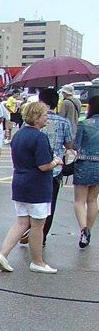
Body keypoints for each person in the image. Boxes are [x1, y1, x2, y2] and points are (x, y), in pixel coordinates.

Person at [0, 102, 62, 274]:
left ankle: (3, 254)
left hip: (20, 183)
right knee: (38, 226)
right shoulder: (39, 137)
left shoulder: (18, 135)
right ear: (37, 117)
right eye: (45, 115)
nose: (47, 118)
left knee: (21, 221)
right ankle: (37, 261)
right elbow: (44, 166)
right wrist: (57, 161)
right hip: (37, 186)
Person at [37, 88, 75, 247]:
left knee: (33, 204)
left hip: (36, 167)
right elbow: (69, 144)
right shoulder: (64, 122)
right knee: (50, 205)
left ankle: (32, 233)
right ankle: (42, 236)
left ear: (40, 102)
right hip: (55, 169)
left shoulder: (34, 121)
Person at [71, 95, 99, 247]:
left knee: (79, 200)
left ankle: (83, 230)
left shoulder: (84, 124)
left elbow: (75, 146)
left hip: (84, 163)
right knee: (93, 200)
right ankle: (89, 230)